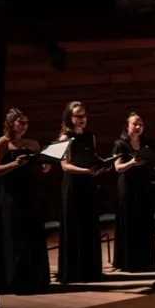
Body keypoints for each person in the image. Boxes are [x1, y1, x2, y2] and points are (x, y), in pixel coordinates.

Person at [0, 109, 51, 295]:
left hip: (30, 195)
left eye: (26, 123)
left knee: (31, 236)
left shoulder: (32, 143)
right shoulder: (3, 143)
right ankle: (12, 281)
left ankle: (34, 279)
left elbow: (43, 166)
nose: (24, 126)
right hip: (10, 197)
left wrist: (45, 165)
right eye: (20, 122)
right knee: (13, 237)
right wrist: (15, 164)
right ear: (11, 123)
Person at [57, 101, 107, 284]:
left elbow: (93, 157)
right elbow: (65, 166)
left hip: (88, 184)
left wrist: (100, 166)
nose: (82, 119)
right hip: (73, 186)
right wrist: (86, 172)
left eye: (84, 115)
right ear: (70, 118)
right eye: (78, 116)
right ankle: (74, 271)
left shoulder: (89, 136)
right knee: (75, 225)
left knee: (89, 226)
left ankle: (90, 270)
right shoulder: (64, 138)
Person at [111, 111, 155, 272]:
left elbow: (154, 160)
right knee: (130, 221)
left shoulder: (146, 143)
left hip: (143, 185)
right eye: (135, 124)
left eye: (141, 125)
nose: (138, 127)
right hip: (128, 186)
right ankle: (128, 261)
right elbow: (117, 167)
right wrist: (131, 162)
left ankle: (146, 259)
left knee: (144, 221)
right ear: (127, 126)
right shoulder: (120, 144)